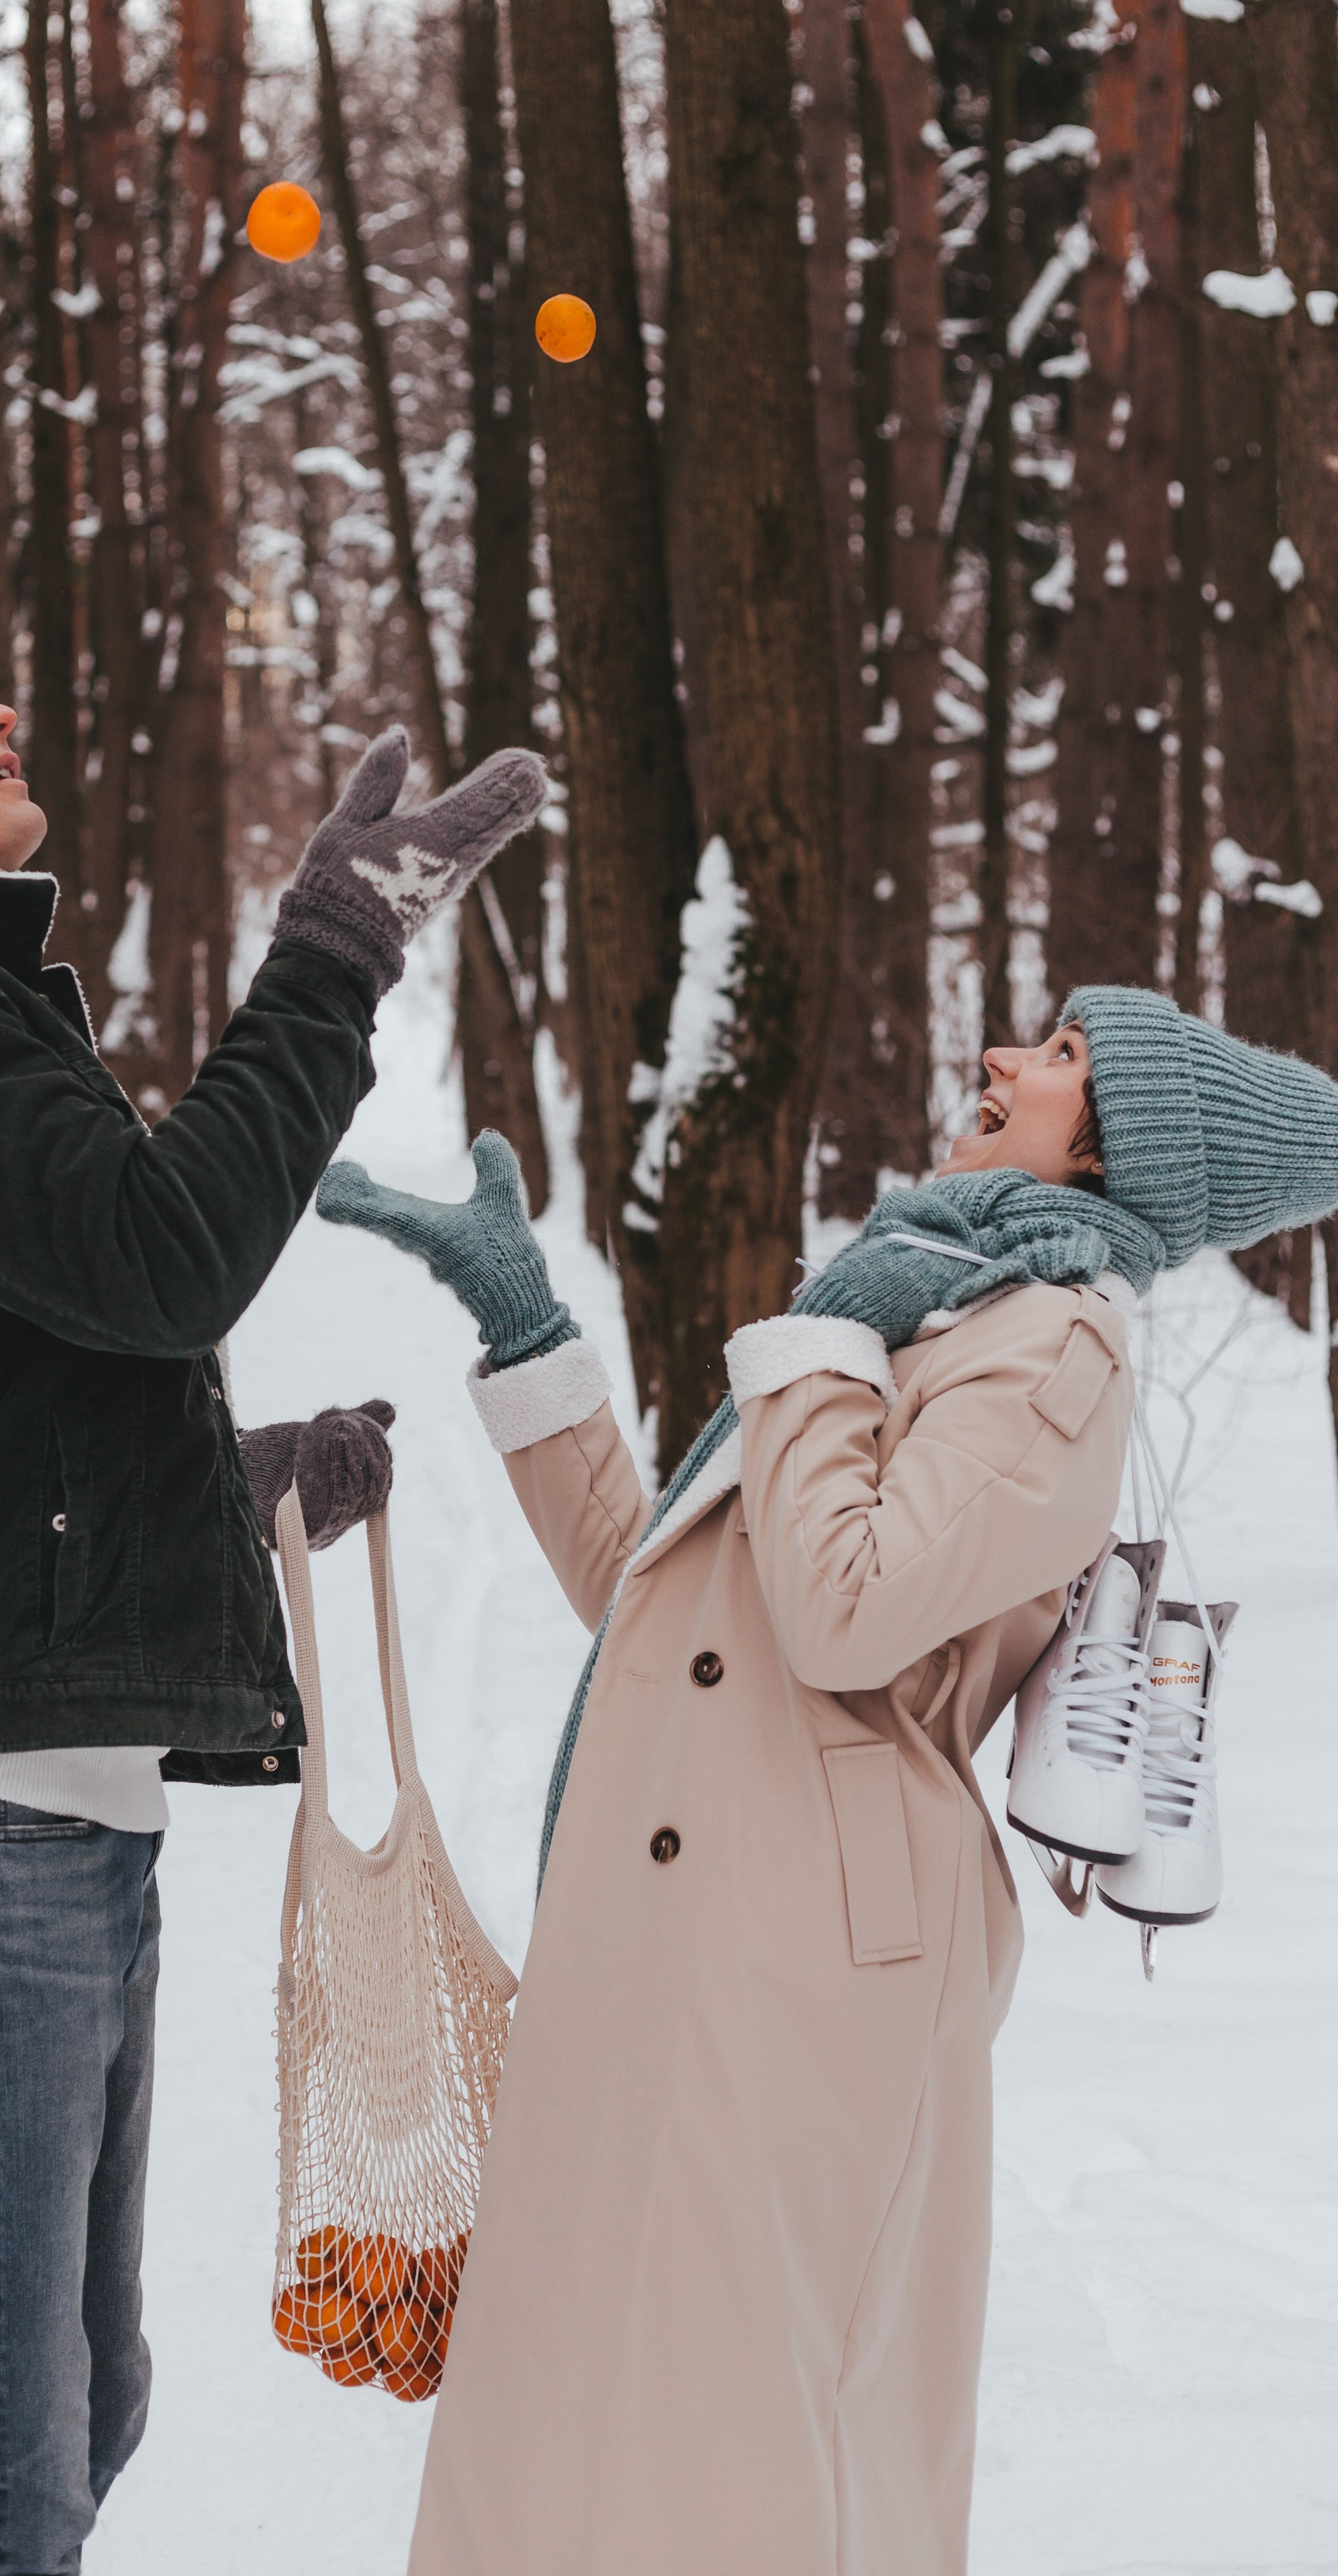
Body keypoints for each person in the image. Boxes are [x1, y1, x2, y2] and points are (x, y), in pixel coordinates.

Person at [0, 622, 546, 2575]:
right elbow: (161, 1259)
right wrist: (332, 958)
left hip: (31, 1816)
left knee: (82, 2416)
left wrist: (232, 1486)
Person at [317, 993, 1338, 2576]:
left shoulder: (1051, 1346)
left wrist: (824, 1343)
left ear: (1120, 1147)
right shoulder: (928, 1304)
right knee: (574, 2430)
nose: (1001, 1061)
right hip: (684, 1940)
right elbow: (675, 1618)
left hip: (800, 1968)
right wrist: (527, 1332)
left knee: (712, 2452)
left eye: (1063, 1061)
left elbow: (843, 1608)